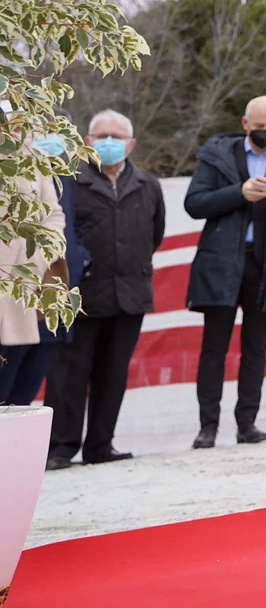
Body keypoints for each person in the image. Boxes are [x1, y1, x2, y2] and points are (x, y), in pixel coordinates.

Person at [183, 96, 266, 450]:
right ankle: (207, 427)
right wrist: (238, 193)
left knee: (255, 349)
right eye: (260, 125)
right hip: (221, 264)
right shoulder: (216, 155)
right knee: (213, 349)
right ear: (245, 123)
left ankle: (248, 424)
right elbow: (194, 203)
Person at [45, 110, 166, 469]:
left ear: (131, 144)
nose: (109, 142)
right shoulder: (69, 182)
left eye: (116, 136)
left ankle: (101, 444)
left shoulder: (148, 185)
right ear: (87, 141)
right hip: (82, 295)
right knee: (69, 373)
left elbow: (154, 234)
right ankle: (60, 447)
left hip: (130, 293)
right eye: (101, 136)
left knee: (113, 373)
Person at [0, 134, 67, 407]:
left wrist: (38, 259)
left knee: (15, 397)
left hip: (23, 289)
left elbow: (54, 216)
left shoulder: (34, 159)